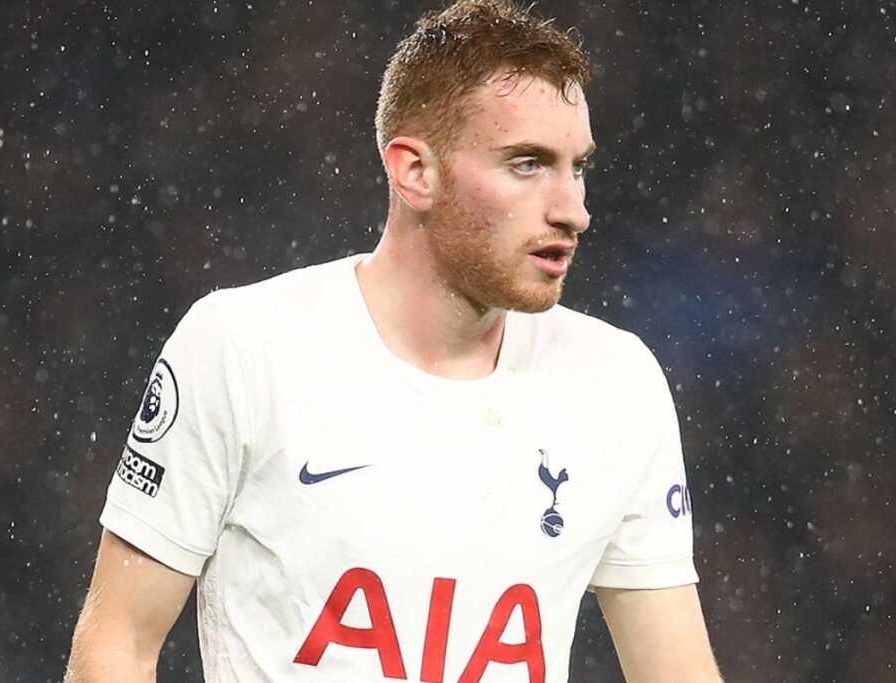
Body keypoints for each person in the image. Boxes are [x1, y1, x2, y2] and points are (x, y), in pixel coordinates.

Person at [65, 1, 722, 681]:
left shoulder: (616, 383)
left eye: (576, 167)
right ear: (415, 172)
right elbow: (118, 642)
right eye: (528, 164)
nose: (573, 210)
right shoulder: (244, 348)